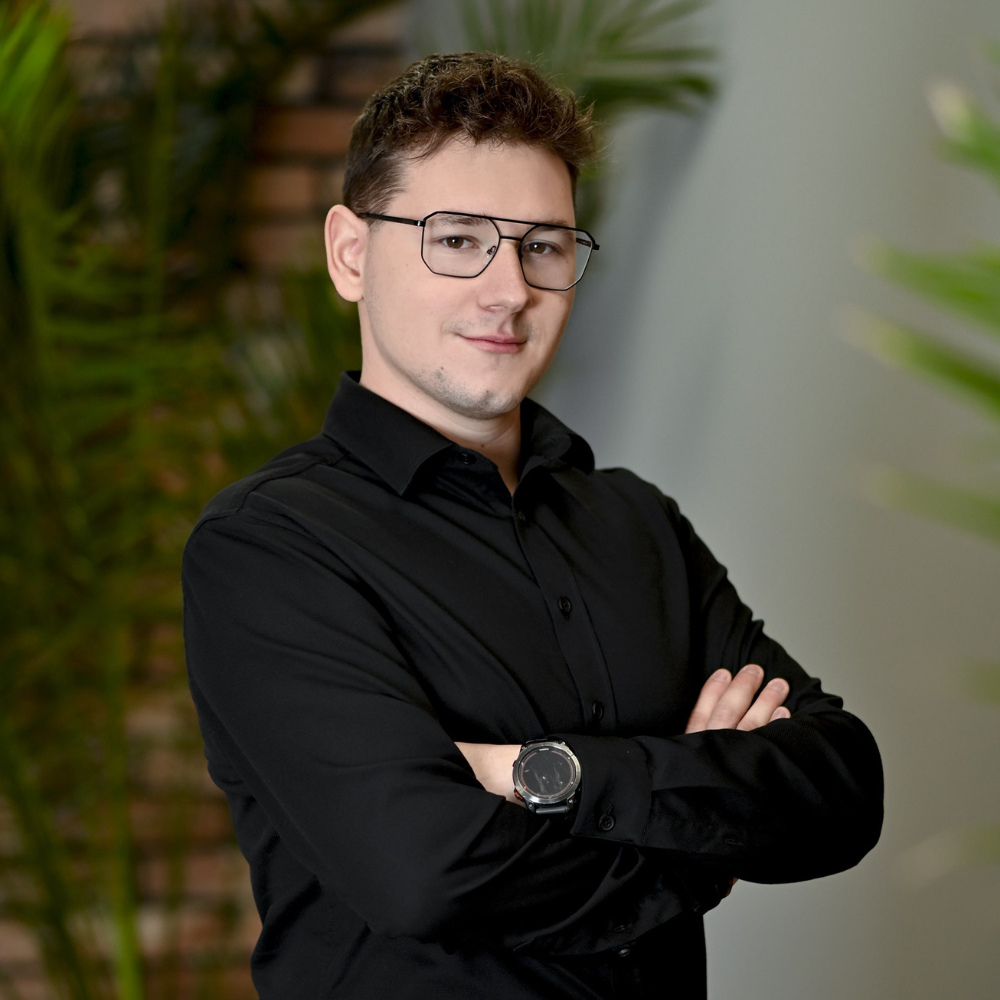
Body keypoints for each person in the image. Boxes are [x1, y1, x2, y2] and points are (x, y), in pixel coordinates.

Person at [182, 52, 883, 1000]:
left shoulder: (635, 524)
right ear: (350, 254)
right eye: (457, 239)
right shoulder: (268, 547)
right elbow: (426, 871)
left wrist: (539, 773)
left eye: (543, 247)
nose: (509, 289)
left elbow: (840, 789)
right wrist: (698, 841)